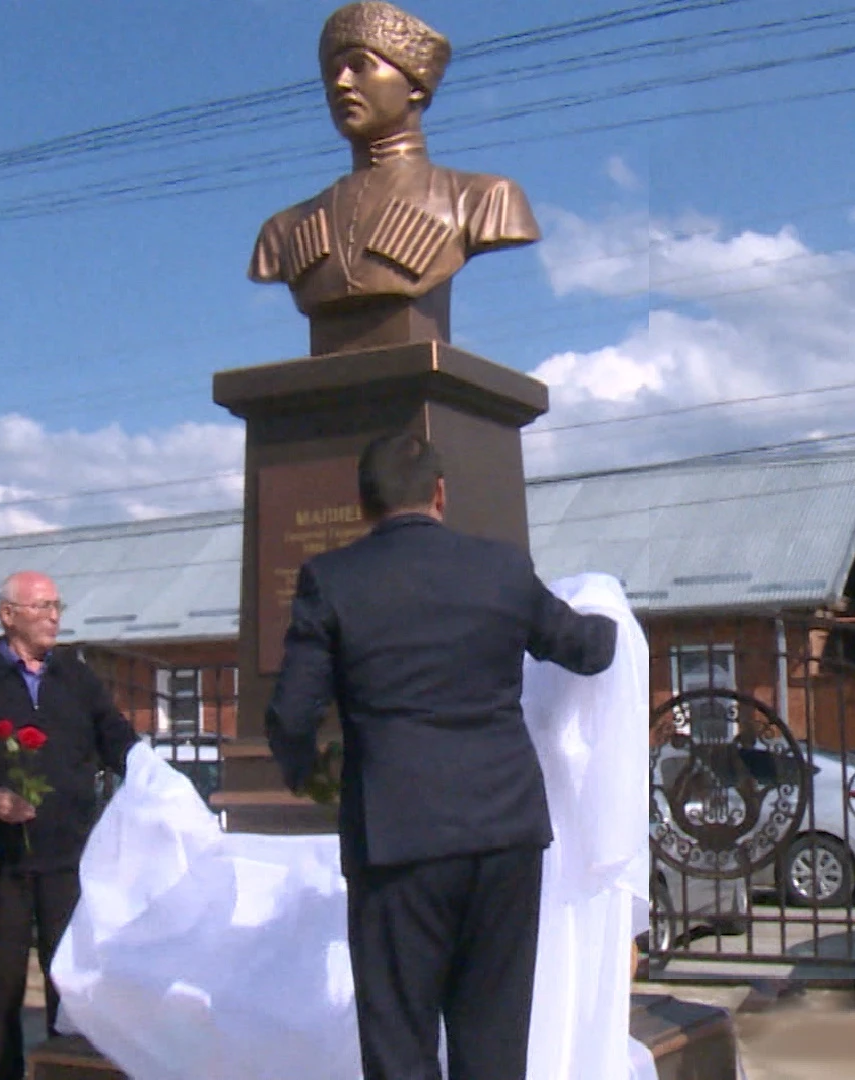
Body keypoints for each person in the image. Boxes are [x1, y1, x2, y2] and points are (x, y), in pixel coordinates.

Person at [265, 432, 619, 1080]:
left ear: (363, 505)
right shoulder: (503, 569)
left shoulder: (332, 580)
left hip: (397, 839)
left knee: (400, 1041)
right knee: (494, 1039)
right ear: (440, 494)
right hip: (505, 831)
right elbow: (586, 648)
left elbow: (291, 714)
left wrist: (307, 775)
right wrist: (612, 612)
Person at [0, 571, 140, 1080]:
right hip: (2, 865)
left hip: (68, 861)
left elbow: (118, 740)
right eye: (41, 606)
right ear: (8, 615)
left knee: (73, 988)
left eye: (57, 605)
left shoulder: (76, 678)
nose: (55, 616)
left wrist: (155, 777)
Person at [249, 2, 541, 326]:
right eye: (333, 72)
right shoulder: (283, 230)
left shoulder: (485, 199)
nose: (341, 83)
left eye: (360, 65)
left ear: (415, 85)